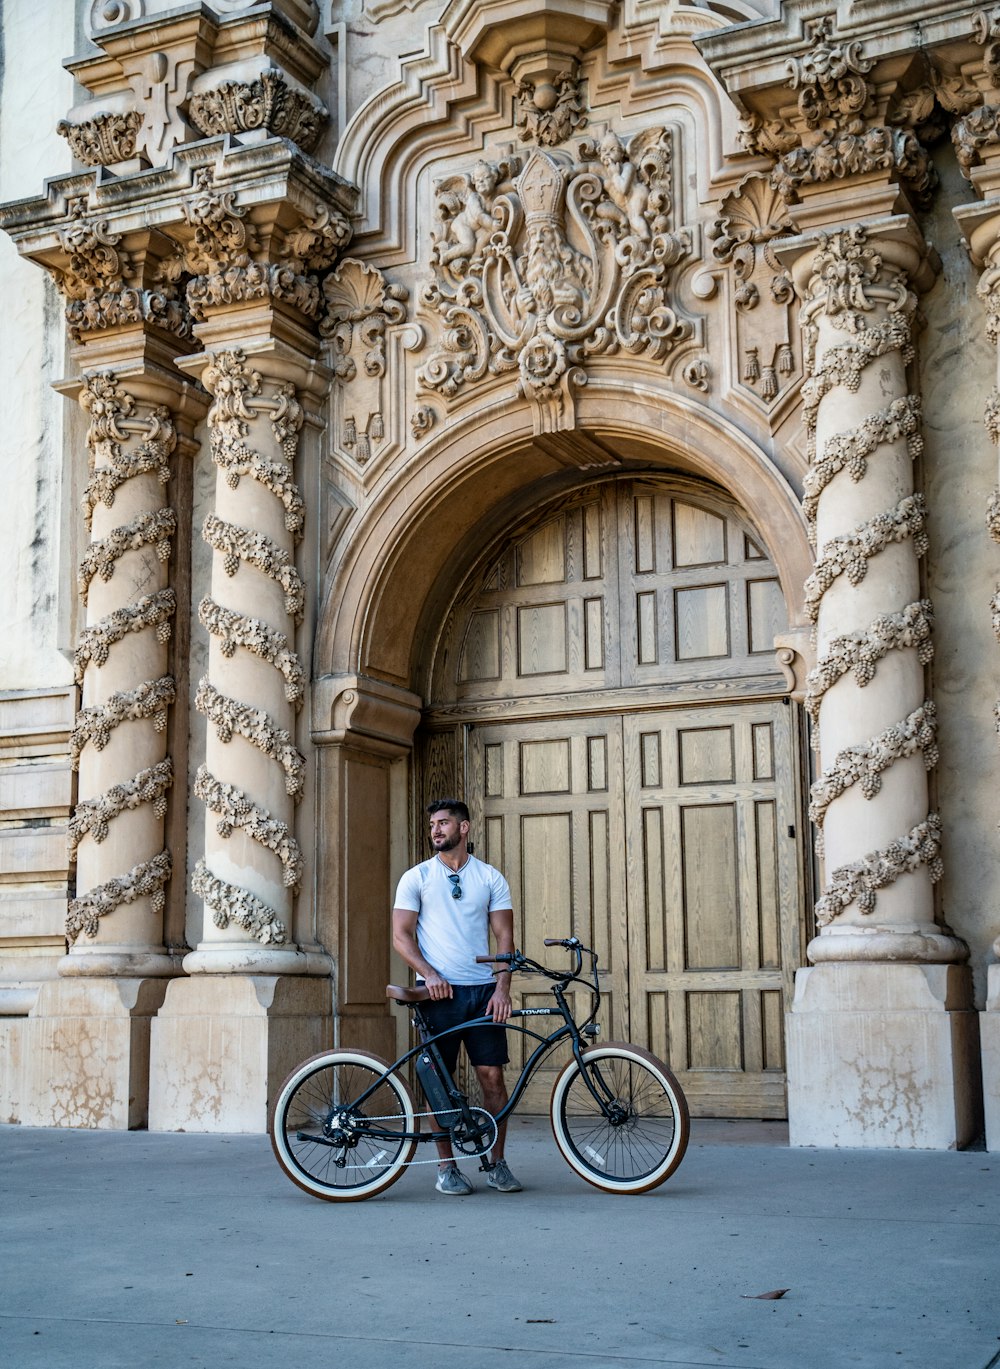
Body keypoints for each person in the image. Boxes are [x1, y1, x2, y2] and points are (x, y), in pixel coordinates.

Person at [392, 798, 522, 1195]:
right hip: (437, 996)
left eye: (444, 823)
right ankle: (446, 1168)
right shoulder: (415, 877)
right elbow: (401, 936)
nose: (435, 830)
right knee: (440, 1084)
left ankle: (496, 1163)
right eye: (432, 824)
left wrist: (502, 989)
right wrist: (429, 975)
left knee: (492, 1078)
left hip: (482, 992)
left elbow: (504, 938)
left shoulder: (490, 878)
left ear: (463, 828)